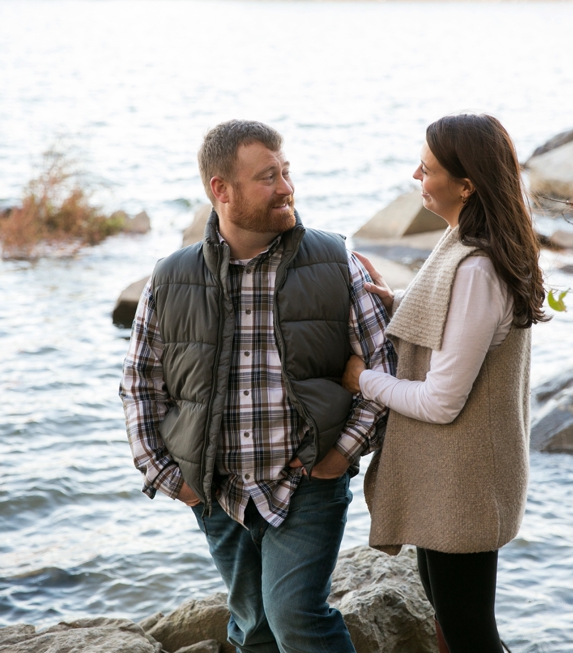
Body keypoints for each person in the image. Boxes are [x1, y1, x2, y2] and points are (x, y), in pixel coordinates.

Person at [121, 119, 396, 653]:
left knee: (296, 616)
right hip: (214, 489)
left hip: (308, 481)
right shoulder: (170, 277)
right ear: (220, 190)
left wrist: (341, 453)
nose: (287, 187)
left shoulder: (333, 260)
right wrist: (169, 476)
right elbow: (140, 384)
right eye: (268, 177)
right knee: (253, 627)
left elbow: (382, 366)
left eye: (286, 172)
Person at [342, 114, 547, 653]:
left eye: (428, 168)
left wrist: (364, 380)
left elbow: (440, 400)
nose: (416, 174)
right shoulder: (467, 242)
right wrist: (398, 303)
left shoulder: (478, 268)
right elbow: (450, 320)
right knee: (456, 620)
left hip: (468, 483)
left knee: (470, 632)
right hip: (455, 480)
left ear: (468, 184)